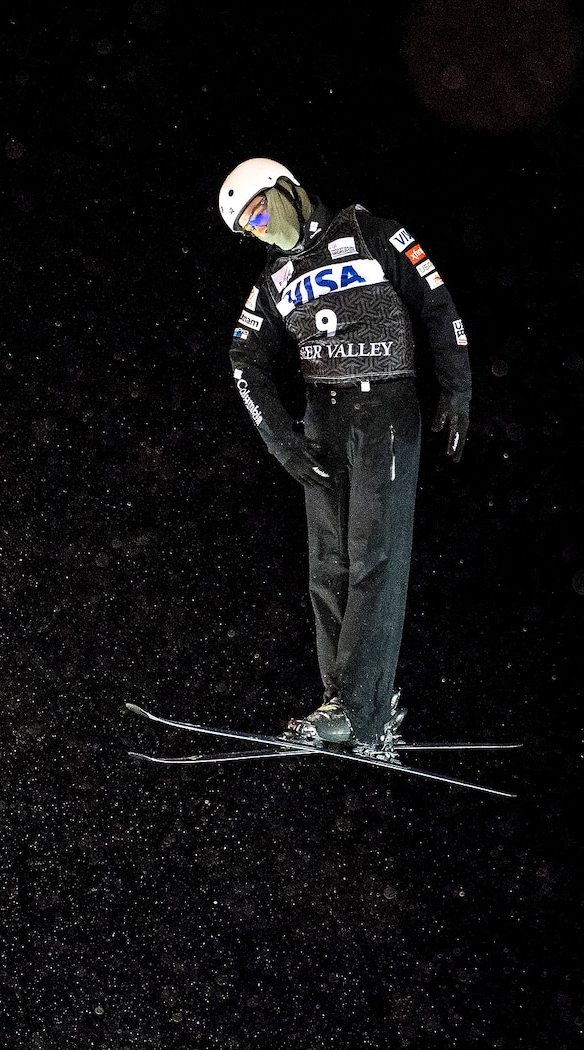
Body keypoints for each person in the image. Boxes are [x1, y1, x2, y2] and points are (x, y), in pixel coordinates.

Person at [218, 158, 471, 759]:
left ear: (287, 192)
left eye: (257, 212)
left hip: (384, 405)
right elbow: (242, 359)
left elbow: (438, 305)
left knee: (372, 557)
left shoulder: (372, 234)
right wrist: (283, 440)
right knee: (328, 566)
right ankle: (348, 709)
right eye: (246, 229)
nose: (258, 230)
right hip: (323, 417)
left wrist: (457, 387)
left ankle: (364, 707)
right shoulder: (275, 277)